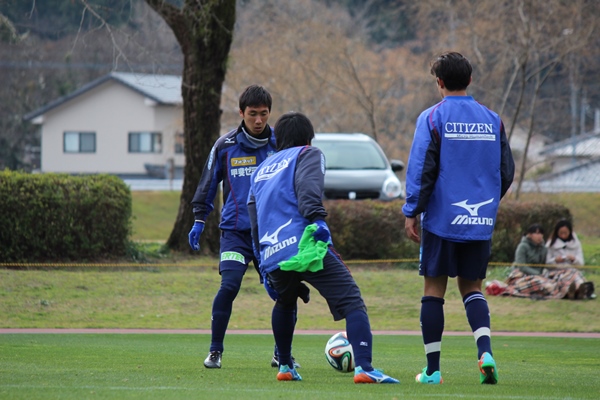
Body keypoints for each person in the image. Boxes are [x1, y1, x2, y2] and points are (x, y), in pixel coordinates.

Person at [247, 111, 399, 384]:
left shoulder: (259, 171)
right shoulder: (308, 154)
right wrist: (318, 222)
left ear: (277, 139)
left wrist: (263, 266)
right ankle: (364, 367)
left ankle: (284, 365)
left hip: (272, 253)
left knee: (284, 301)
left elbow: (254, 220)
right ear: (308, 138)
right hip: (305, 244)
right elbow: (308, 191)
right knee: (352, 300)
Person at [402, 51, 515, 385]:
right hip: (478, 221)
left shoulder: (433, 117)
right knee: (472, 287)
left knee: (434, 289)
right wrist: (488, 201)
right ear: (469, 80)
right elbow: (506, 171)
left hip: (441, 220)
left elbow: (422, 168)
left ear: (439, 82)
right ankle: (485, 352)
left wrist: (412, 210)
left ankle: (433, 371)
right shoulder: (492, 119)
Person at [188, 85, 303, 369]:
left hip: (271, 234)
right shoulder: (225, 146)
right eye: (253, 114)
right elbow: (208, 183)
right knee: (229, 285)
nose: (259, 120)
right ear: (241, 113)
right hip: (235, 234)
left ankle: (282, 354)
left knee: (284, 293)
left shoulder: (281, 143)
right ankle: (215, 351)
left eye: (264, 114)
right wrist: (199, 219)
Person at [504, 221, 594, 299]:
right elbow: (521, 266)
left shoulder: (543, 248)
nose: (539, 236)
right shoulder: (523, 246)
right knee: (542, 283)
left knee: (572, 275)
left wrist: (573, 260)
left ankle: (579, 290)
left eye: (540, 233)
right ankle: (567, 292)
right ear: (530, 235)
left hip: (541, 275)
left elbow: (544, 264)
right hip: (522, 274)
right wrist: (554, 261)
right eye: (536, 233)